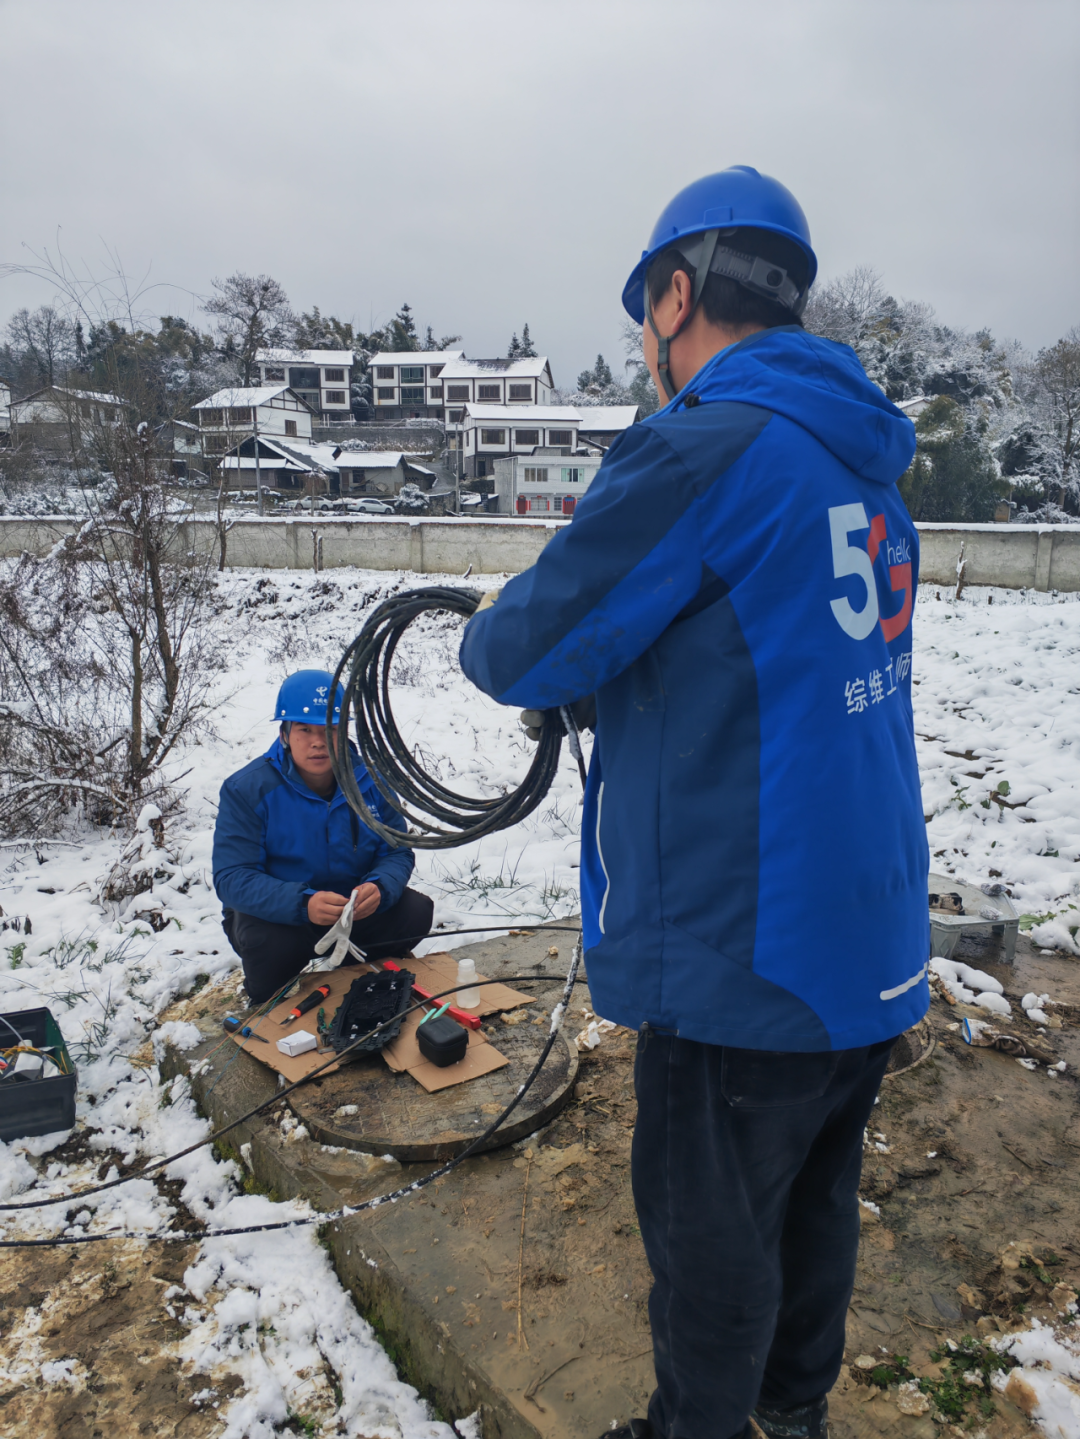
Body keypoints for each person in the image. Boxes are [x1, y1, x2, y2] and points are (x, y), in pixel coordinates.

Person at [459, 166, 929, 1439]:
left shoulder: (701, 445)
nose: (647, 356)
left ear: (678, 295)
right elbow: (760, 646)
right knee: (815, 1198)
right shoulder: (867, 463)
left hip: (744, 945)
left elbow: (521, 650)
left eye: (644, 324)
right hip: (872, 929)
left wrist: (507, 629)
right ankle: (793, 1412)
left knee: (710, 1235)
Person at [212, 669, 433, 1004]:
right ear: (285, 733)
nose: (317, 742)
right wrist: (302, 903)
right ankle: (272, 996)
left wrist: (380, 887)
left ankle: (351, 973)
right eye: (304, 729)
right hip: (283, 916)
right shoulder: (247, 789)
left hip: (352, 909)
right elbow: (232, 877)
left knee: (416, 912)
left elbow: (397, 851)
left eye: (329, 730)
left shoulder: (372, 781)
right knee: (267, 947)